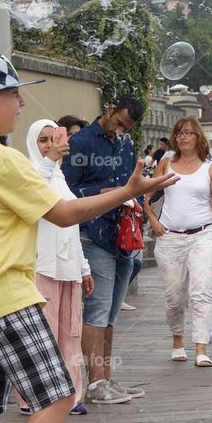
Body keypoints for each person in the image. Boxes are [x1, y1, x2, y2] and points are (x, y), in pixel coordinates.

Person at [0, 52, 178, 423]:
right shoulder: (4, 161)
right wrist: (128, 191)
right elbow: (64, 213)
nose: (22, 105)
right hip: (6, 297)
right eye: (15, 95)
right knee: (57, 397)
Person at [62, 96, 148, 405]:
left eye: (129, 126)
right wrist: (105, 192)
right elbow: (67, 192)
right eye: (121, 122)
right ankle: (96, 382)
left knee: (111, 313)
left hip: (123, 232)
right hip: (93, 234)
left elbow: (131, 183)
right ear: (109, 109)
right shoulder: (82, 141)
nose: (123, 129)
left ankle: (107, 379)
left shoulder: (125, 145)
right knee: (97, 310)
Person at [13, 120, 95, 416]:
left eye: (53, 139)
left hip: (68, 268)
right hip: (41, 265)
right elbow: (37, 187)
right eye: (42, 141)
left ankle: (72, 396)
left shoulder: (59, 177)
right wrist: (51, 158)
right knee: (39, 334)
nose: (49, 146)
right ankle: (32, 397)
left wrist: (84, 267)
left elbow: (72, 225)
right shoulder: (31, 173)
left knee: (70, 334)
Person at [145, 117, 212, 367]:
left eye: (189, 133)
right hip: (170, 237)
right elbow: (145, 194)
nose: (183, 137)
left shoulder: (211, 168)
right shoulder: (165, 164)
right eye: (179, 133)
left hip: (202, 236)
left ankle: (201, 347)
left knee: (201, 292)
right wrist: (153, 219)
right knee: (174, 296)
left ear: (198, 138)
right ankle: (177, 340)